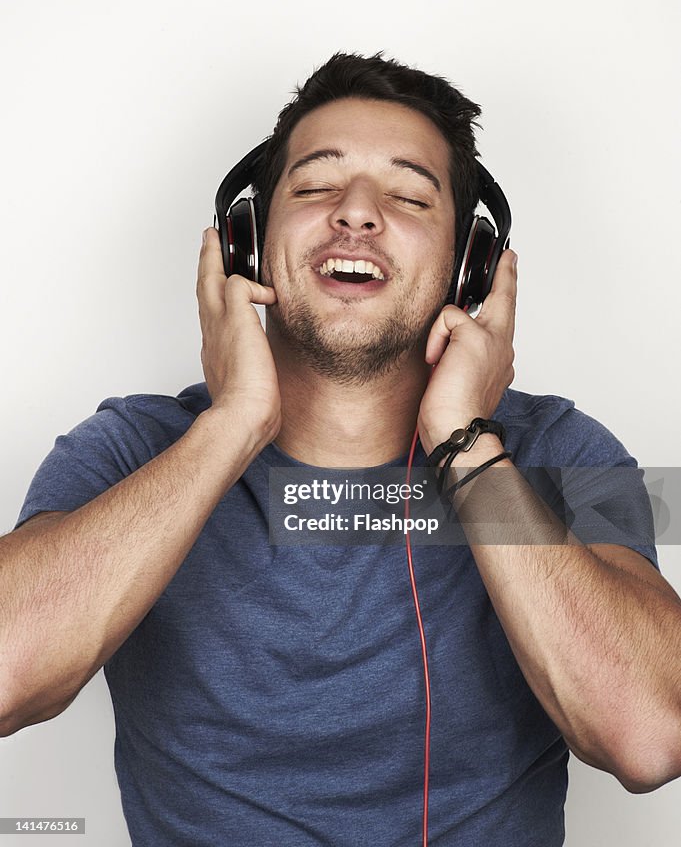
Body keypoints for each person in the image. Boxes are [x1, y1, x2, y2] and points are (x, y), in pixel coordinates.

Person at [2, 51, 680, 847]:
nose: (355, 214)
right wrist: (234, 422)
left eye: (407, 195)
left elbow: (650, 738)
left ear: (471, 267)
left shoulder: (568, 448)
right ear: (245, 245)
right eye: (316, 186)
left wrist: (463, 440)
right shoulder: (125, 448)